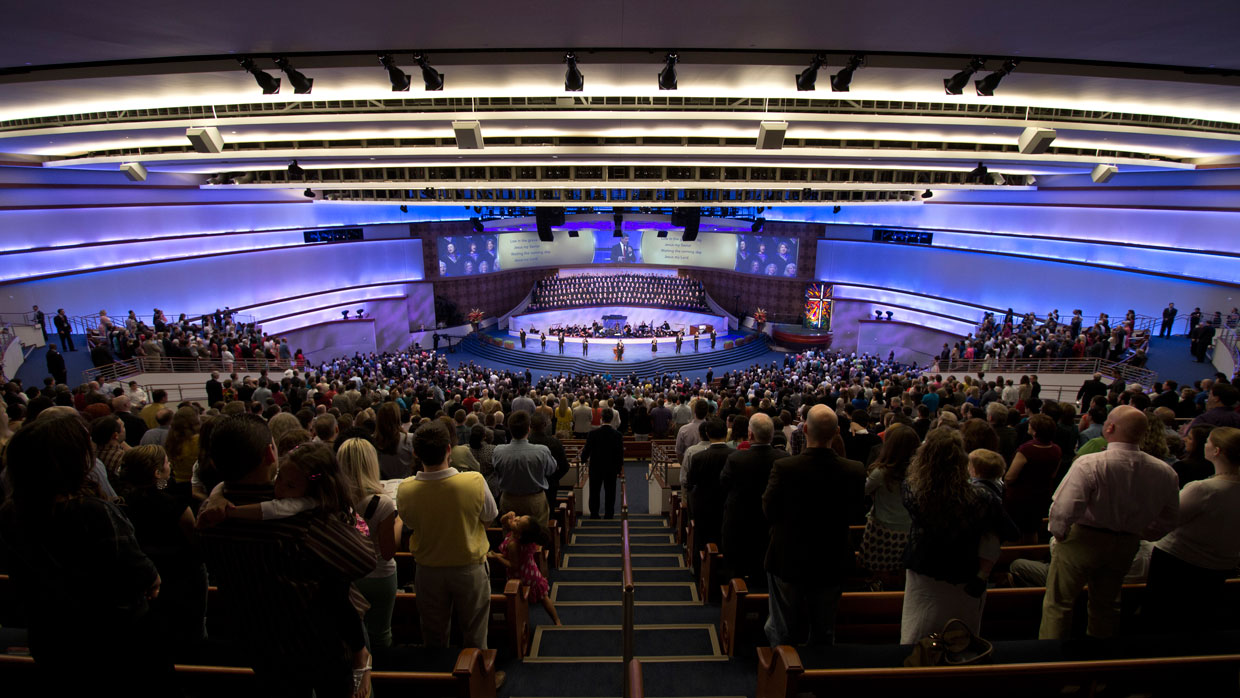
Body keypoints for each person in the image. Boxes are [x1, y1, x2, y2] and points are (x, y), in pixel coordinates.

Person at [196, 416, 376, 696]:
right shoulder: (301, 520)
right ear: (270, 453)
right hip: (320, 644)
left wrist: (218, 491)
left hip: (259, 642)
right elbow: (363, 559)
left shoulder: (210, 515)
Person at [0, 412, 172, 695]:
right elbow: (142, 573)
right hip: (115, 639)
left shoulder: (12, 512)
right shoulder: (97, 511)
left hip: (51, 634)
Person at [1039, 405, 1180, 640]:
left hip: (1084, 540)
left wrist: (1059, 534)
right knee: (1106, 604)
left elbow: (1063, 509)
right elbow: (1169, 519)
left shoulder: (1090, 463)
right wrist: (1139, 533)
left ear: (1110, 427)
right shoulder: (1164, 471)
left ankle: (1051, 657)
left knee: (1059, 603)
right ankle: (1101, 657)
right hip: (1126, 544)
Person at [900, 428, 1019, 644]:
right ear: (962, 460)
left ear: (923, 458)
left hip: (924, 566)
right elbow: (1011, 531)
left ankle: (917, 659)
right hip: (964, 568)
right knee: (961, 632)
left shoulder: (912, 490)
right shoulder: (981, 497)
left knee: (918, 627)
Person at [762, 405, 864, 646]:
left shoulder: (785, 468)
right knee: (824, 630)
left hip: (788, 556)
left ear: (805, 429)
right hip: (832, 557)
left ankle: (781, 666)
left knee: (782, 627)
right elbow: (856, 514)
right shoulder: (854, 470)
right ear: (837, 432)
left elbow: (768, 510)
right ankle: (820, 666)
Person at [396, 420, 498, 650]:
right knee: (475, 634)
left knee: (434, 637)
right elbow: (489, 518)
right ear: (449, 449)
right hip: (469, 567)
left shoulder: (406, 489)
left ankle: (439, 671)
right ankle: (476, 672)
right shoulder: (474, 481)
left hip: (428, 570)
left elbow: (410, 523)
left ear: (415, 453)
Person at [1143, 427, 1240, 633]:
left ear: (1217, 451)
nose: (1205, 444)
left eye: (1208, 442)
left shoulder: (1204, 489)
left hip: (1178, 564)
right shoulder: (1215, 488)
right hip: (1220, 566)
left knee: (1161, 621)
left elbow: (1167, 519)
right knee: (1197, 620)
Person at [116, 445, 207, 660]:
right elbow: (195, 542)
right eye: (166, 463)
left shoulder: (124, 503)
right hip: (182, 575)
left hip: (144, 576)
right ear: (157, 472)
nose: (170, 465)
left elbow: (158, 488)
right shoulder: (175, 506)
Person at [337, 437, 400, 649]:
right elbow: (388, 551)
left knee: (350, 634)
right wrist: (399, 521)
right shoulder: (382, 503)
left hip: (347, 575)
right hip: (379, 574)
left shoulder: (333, 500)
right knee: (381, 634)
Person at [717, 414, 784, 586]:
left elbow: (724, 484)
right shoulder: (783, 459)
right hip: (769, 522)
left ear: (750, 435)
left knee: (735, 569)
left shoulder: (736, 458)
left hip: (739, 522)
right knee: (762, 571)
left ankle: (733, 596)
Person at [858, 424, 919, 577]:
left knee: (874, 568)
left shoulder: (881, 473)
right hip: (909, 529)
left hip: (882, 529)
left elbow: (863, 491)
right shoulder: (919, 473)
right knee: (901, 570)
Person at [491, 511, 561, 624]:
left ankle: (555, 620)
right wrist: (506, 516)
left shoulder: (514, 544)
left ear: (519, 534)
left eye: (518, 523)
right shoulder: (517, 534)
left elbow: (513, 565)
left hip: (526, 576)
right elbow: (502, 521)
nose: (516, 519)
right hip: (530, 570)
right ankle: (556, 620)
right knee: (543, 597)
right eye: (519, 517)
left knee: (541, 597)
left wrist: (497, 557)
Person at [493, 411, 558, 528]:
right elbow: (551, 470)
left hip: (509, 499)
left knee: (511, 534)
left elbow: (497, 471)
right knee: (538, 533)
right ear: (529, 429)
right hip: (534, 500)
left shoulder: (498, 451)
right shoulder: (542, 451)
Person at [1004, 414, 1061, 543]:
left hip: (1020, 496)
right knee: (1032, 529)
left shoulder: (1027, 449)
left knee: (1013, 529)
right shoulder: (1056, 449)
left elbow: (1010, 477)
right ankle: (1030, 552)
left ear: (1035, 431)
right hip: (1042, 495)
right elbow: (1053, 474)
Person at [684, 418, 733, 569]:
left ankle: (699, 568)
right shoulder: (735, 455)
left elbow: (690, 482)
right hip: (727, 504)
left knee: (702, 537)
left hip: (704, 505)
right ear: (725, 433)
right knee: (724, 537)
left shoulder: (699, 457)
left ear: (707, 433)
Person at [580, 407, 624, 519]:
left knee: (594, 491)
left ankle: (594, 514)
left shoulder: (593, 434)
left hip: (595, 467)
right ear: (612, 418)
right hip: (611, 468)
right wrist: (619, 469)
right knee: (610, 492)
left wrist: (583, 459)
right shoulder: (617, 435)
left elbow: (586, 450)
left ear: (601, 418)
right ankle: (609, 514)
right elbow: (620, 454)